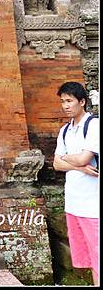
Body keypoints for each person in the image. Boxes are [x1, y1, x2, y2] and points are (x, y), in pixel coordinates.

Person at [53, 82, 99, 285]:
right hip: (73, 204)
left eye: (69, 101)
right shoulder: (64, 130)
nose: (65, 105)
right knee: (88, 257)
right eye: (63, 101)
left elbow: (83, 158)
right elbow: (56, 164)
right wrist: (79, 166)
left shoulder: (93, 125)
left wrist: (69, 159)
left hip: (93, 205)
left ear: (82, 101)